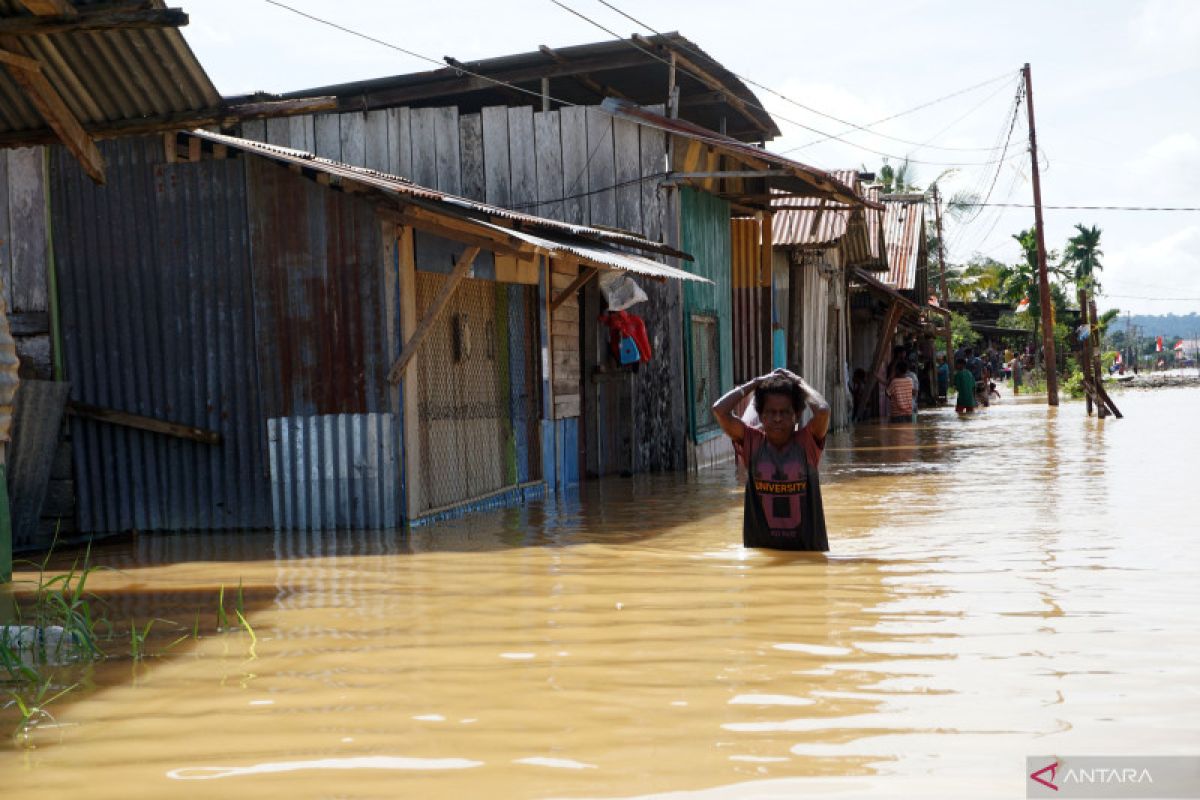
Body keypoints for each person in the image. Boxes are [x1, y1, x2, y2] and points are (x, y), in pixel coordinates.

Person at [712, 369, 831, 551]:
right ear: (761, 416)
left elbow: (822, 411)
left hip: (806, 553)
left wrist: (799, 382)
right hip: (761, 552)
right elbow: (719, 410)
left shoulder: (807, 443)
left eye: (784, 412)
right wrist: (755, 382)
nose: (777, 418)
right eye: (771, 412)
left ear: (797, 415)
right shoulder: (752, 442)